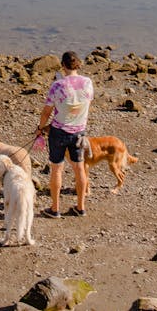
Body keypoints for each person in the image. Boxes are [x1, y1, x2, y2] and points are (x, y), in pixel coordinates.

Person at [36, 50, 94, 217]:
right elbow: (87, 102)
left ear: (62, 65)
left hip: (59, 132)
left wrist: (40, 128)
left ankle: (55, 208)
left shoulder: (57, 86)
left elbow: (46, 112)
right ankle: (81, 207)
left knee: (57, 169)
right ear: (78, 64)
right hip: (79, 132)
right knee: (79, 168)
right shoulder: (87, 83)